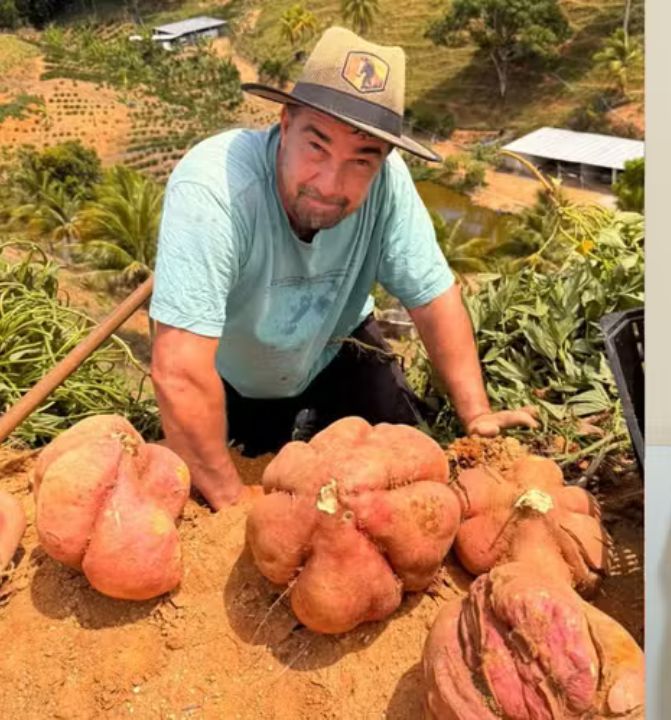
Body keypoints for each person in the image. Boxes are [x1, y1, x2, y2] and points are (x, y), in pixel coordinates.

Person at [150, 27, 536, 511]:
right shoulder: (216, 190)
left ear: (384, 160)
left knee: (403, 476)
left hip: (340, 344)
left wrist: (476, 414)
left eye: (361, 160)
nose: (331, 184)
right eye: (317, 146)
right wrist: (232, 507)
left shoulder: (390, 185)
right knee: (243, 478)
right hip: (237, 374)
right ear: (285, 124)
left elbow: (434, 298)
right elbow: (180, 371)